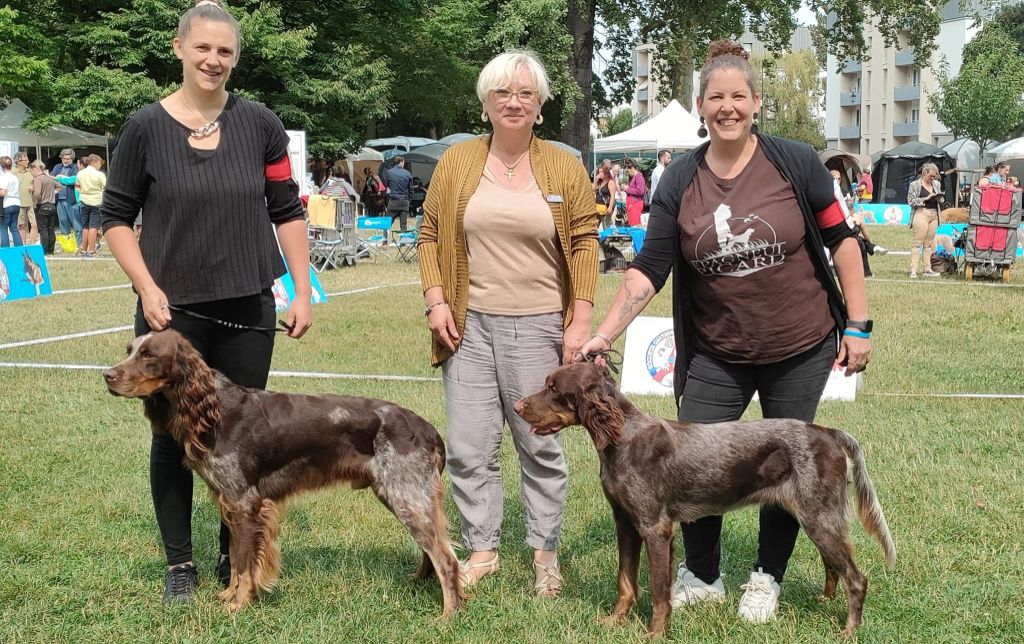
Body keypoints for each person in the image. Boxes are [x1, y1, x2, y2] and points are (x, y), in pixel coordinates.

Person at [577, 40, 871, 625]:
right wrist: (603, 334)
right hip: (715, 349)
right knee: (692, 464)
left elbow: (843, 240)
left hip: (800, 345)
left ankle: (767, 577)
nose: (728, 107)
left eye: (739, 96)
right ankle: (703, 574)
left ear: (756, 102)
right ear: (700, 106)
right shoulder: (680, 178)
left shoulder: (796, 162)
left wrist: (858, 324)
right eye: (717, 97)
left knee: (785, 469)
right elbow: (649, 268)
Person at [100, 0, 312, 605]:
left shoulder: (261, 124)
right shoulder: (144, 128)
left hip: (248, 309)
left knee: (241, 441)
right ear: (179, 49)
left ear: (235, 58)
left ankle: (234, 558)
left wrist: (299, 288)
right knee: (172, 440)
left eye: (225, 51)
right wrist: (147, 286)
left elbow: (286, 208)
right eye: (203, 48)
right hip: (171, 316)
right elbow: (116, 217)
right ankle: (180, 566)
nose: (213, 60)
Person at [418, 49, 598, 598]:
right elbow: (429, 235)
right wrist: (436, 302)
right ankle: (483, 549)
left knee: (539, 445)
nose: (513, 102)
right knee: (471, 447)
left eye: (525, 93)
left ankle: (545, 555)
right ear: (486, 103)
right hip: (466, 328)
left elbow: (587, 242)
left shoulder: (565, 165)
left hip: (541, 325)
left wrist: (580, 319)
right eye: (503, 93)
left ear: (540, 105)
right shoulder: (457, 162)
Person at [907, 163, 944, 278]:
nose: (932, 178)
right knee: (917, 243)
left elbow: (942, 200)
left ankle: (927, 269)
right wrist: (925, 198)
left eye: (934, 176)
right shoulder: (915, 185)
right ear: (924, 173)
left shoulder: (937, 184)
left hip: (934, 215)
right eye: (930, 176)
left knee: (928, 244)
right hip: (921, 213)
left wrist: (940, 198)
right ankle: (913, 269)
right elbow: (910, 201)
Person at [76, 154, 107, 257]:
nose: (100, 166)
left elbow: (78, 187)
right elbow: (105, 188)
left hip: (84, 201)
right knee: (93, 227)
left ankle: (83, 249)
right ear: (93, 162)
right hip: (97, 202)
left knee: (85, 226)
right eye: (99, 163)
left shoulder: (80, 174)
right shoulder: (100, 175)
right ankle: (92, 250)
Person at [51, 148, 82, 245]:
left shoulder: (75, 168)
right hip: (59, 200)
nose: (65, 160)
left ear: (72, 159)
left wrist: (60, 179)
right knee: (63, 223)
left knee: (76, 224)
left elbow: (73, 180)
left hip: (71, 200)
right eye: (63, 158)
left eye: (68, 159)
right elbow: (51, 178)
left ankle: (79, 244)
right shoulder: (57, 167)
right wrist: (60, 179)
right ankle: (67, 245)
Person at [30, 161, 60, 254]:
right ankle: (51, 250)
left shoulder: (38, 179)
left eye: (31, 171)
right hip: (52, 205)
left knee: (43, 230)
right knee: (50, 228)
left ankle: (44, 250)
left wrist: (34, 202)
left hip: (42, 206)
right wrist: (53, 192)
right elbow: (60, 186)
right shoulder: (49, 178)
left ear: (35, 169)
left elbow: (37, 193)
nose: (31, 173)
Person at [385, 156, 413, 231]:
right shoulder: (408, 173)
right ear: (401, 162)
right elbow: (411, 190)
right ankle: (403, 242)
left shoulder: (389, 172)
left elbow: (387, 186)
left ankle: (385, 240)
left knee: (387, 223)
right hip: (405, 201)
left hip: (394, 201)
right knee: (403, 224)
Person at [14, 152, 36, 246]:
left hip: (30, 203)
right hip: (19, 203)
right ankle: (22, 245)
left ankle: (32, 245)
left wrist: (33, 188)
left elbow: (37, 184)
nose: (28, 161)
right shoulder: (12, 172)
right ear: (19, 161)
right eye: (25, 160)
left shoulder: (31, 171)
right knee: (21, 226)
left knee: (34, 225)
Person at [0, 156, 23, 247]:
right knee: (14, 228)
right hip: (16, 203)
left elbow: (3, 193)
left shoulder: (4, 177)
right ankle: (19, 248)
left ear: (2, 167)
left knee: (3, 227)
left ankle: (5, 250)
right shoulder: (14, 177)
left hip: (7, 204)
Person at [623, 158, 647, 226]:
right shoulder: (634, 177)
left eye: (628, 171)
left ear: (632, 168)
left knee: (635, 226)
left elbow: (640, 191)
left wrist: (627, 189)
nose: (627, 174)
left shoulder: (639, 177)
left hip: (635, 205)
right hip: (632, 205)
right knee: (632, 224)